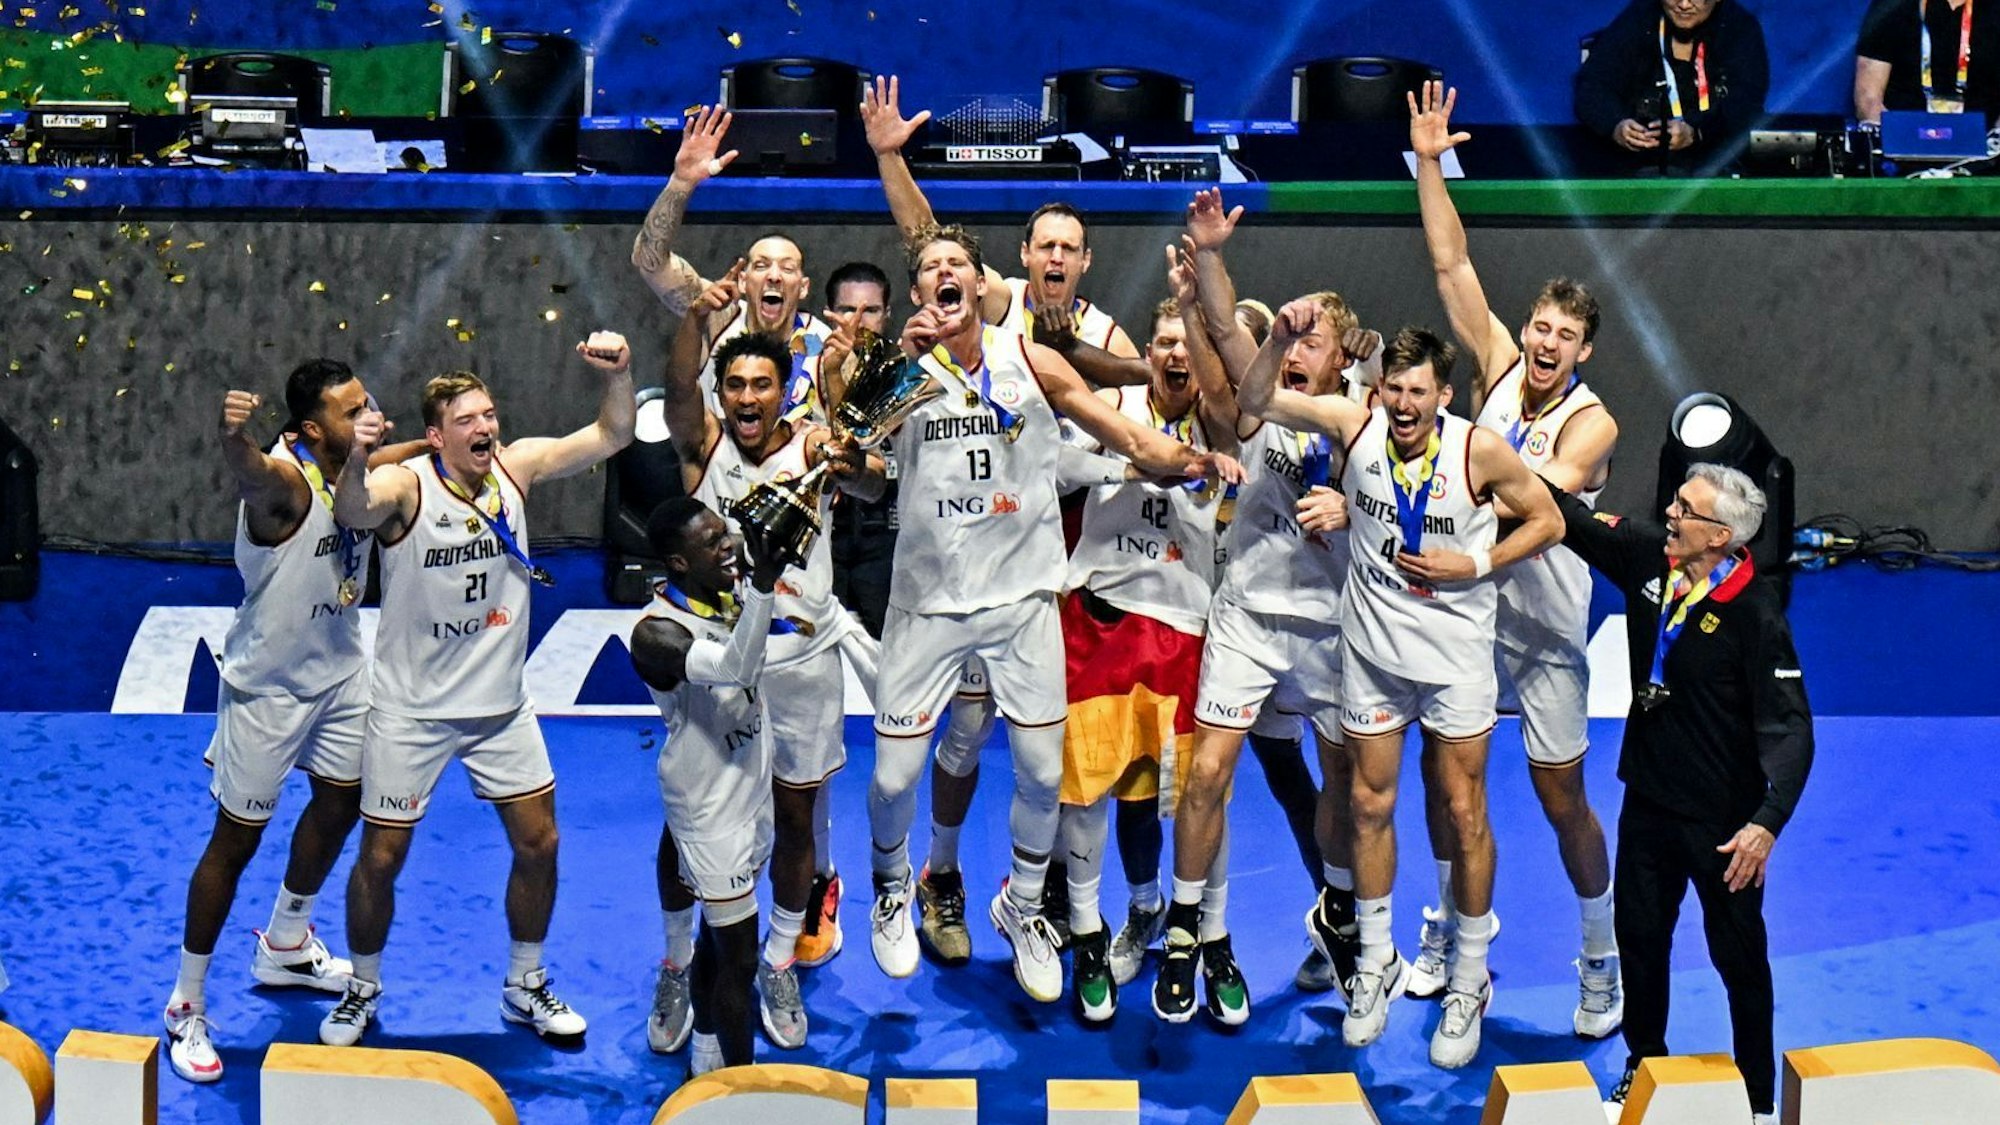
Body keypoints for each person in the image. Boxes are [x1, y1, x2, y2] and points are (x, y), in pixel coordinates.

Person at [865, 224, 1239, 1006]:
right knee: (895, 775)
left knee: (1042, 772)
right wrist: (898, 366)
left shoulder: (1029, 358)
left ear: (980, 283)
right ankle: (894, 885)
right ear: (918, 292)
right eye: (930, 267)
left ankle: (1028, 909)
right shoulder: (905, 368)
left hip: (1023, 602)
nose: (944, 274)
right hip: (927, 606)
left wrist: (1185, 459)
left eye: (957, 264)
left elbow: (1124, 432)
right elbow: (862, 457)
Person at [1234, 304, 1563, 1069]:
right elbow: (1254, 403)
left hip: (1453, 660)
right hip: (1375, 655)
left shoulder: (1479, 452)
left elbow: (1547, 520)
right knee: (1367, 803)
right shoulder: (1354, 426)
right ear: (1378, 390)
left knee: (1463, 810)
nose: (1405, 406)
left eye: (1418, 392)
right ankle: (1374, 964)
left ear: (1444, 395)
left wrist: (1474, 565)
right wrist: (1279, 343)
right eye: (1394, 391)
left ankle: (1470, 978)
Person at [319, 333, 636, 1046]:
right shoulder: (410, 486)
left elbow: (613, 432)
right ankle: (361, 988)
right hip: (411, 711)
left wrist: (621, 375)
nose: (485, 428)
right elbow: (352, 512)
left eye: (489, 414)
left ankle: (525, 982)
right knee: (380, 858)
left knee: (540, 842)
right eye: (467, 421)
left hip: (499, 709)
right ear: (436, 436)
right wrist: (362, 455)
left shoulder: (515, 471)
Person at [1409, 81, 1625, 1039]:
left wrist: (1449, 485)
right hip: (1468, 617)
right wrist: (1427, 162)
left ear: (1580, 354)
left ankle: (1599, 952)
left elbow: (1537, 497)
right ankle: (1459, 944)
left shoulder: (1591, 423)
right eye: (1539, 327)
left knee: (1560, 796)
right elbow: (1452, 262)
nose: (1544, 343)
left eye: (1563, 338)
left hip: (1540, 627)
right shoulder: (1498, 367)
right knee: (1446, 782)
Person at [1144, 192, 1379, 1026]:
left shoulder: (1370, 424)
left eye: (1313, 340)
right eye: (1293, 339)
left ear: (1344, 360)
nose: (1294, 350)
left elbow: (1420, 494)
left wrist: (1354, 510)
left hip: (1331, 628)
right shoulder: (1264, 402)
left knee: (1345, 783)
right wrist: (1210, 258)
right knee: (1207, 774)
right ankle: (1183, 926)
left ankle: (1343, 911)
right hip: (1247, 616)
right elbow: (1225, 331)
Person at [655, 282, 884, 1052]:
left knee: (795, 821)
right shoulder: (707, 443)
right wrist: (694, 316)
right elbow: (679, 385)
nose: (747, 396)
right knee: (686, 824)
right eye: (736, 384)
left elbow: (872, 478)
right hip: (722, 665)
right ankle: (679, 960)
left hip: (803, 660)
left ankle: (780, 960)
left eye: (762, 384)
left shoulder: (814, 443)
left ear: (784, 391)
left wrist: (857, 465)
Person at [161, 364, 404, 1084]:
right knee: (235, 840)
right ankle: (186, 1002)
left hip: (338, 674)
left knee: (340, 802)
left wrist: (458, 436)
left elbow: (405, 456)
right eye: (349, 411)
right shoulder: (287, 483)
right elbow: (251, 470)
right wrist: (232, 434)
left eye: (367, 403)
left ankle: (288, 940)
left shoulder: (356, 465)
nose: (366, 416)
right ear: (307, 431)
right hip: (266, 691)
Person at [1553, 466, 1811, 1125]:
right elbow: (1573, 520)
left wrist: (1765, 824)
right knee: (1640, 937)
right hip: (1647, 802)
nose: (1669, 513)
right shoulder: (1649, 557)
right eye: (1674, 501)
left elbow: (1791, 729)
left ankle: (1756, 1098)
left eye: (1685, 509)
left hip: (1724, 824)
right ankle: (1645, 1067)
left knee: (1739, 958)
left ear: (1719, 536)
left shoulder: (1756, 612)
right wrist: (1487, 457)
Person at [629, 495, 794, 1076]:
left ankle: (704, 1039)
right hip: (707, 808)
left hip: (748, 787)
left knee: (719, 937)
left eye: (726, 535)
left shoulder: (722, 597)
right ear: (677, 563)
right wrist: (765, 587)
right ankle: (741, 1087)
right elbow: (733, 672)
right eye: (712, 543)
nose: (728, 547)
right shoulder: (655, 634)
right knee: (742, 962)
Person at [861, 76, 1144, 374]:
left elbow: (1145, 395)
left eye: (1069, 248)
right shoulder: (1004, 300)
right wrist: (888, 155)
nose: (1057, 257)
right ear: (1025, 254)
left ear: (1085, 260)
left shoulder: (1104, 333)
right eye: (1047, 246)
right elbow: (926, 238)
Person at [631, 105, 835, 420]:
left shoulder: (824, 345)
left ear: (804, 287)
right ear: (742, 282)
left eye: (788, 268)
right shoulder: (720, 317)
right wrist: (681, 182)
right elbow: (650, 261)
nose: (775, 276)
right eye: (762, 265)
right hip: (721, 466)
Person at [1574, 0, 1770, 174]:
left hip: (1718, 164)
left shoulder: (1739, 28)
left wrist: (1697, 131)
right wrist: (1615, 125)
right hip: (1640, 165)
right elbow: (1592, 87)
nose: (1684, 5)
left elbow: (1745, 101)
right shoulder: (1639, 19)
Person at [1855, 0, 2000, 123]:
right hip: (1905, 139)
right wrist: (1895, 141)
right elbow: (1868, 97)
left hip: (1984, 145)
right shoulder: (1892, 6)